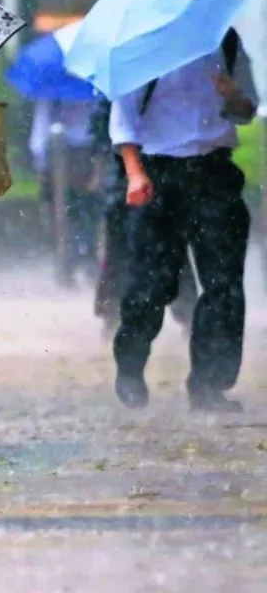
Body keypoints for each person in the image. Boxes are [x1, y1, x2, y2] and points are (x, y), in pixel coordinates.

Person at [109, 28, 257, 413]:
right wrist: (135, 172)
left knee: (223, 284)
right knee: (152, 283)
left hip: (215, 174)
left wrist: (233, 96)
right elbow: (123, 119)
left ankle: (210, 384)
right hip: (158, 176)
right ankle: (129, 366)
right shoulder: (139, 45)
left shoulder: (224, 40)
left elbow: (247, 110)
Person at [92, 100, 199, 337]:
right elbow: (102, 135)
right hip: (123, 181)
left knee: (173, 247)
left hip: (166, 171)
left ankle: (188, 313)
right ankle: (112, 314)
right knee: (120, 248)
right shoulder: (114, 89)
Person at [29, 98, 104, 285]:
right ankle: (65, 264)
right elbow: (41, 127)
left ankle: (89, 259)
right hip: (60, 150)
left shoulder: (94, 90)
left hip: (88, 151)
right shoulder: (53, 91)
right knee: (62, 213)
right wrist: (41, 165)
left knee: (90, 210)